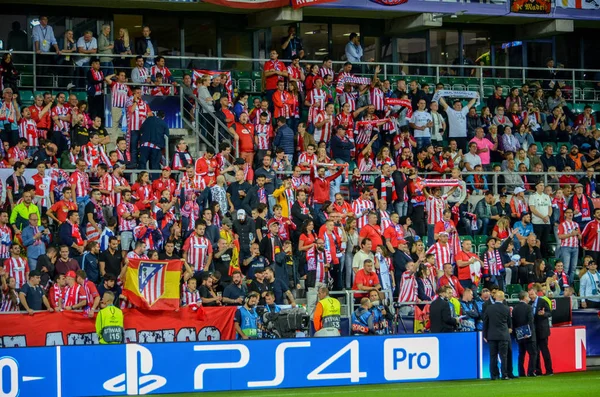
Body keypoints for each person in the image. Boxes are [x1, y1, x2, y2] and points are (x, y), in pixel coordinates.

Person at [484, 290, 512, 380]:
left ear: (495, 297)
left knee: (493, 356)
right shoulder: (506, 308)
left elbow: (485, 323)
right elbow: (509, 323)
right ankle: (504, 374)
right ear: (503, 298)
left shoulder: (489, 308)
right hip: (503, 335)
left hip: (492, 335)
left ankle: (494, 375)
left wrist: (485, 335)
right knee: (503, 356)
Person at [512, 290, 537, 377]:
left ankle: (521, 372)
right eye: (527, 296)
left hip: (519, 334)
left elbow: (513, 322)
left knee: (521, 354)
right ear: (524, 298)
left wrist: (516, 334)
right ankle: (531, 372)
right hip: (528, 335)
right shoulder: (529, 307)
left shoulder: (515, 308)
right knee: (533, 353)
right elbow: (530, 321)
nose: (529, 298)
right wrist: (528, 332)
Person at [529, 287, 553, 376]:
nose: (530, 296)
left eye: (532, 294)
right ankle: (538, 370)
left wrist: (544, 314)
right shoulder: (530, 303)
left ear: (536, 293)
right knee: (536, 352)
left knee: (545, 351)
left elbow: (550, 313)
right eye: (529, 295)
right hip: (534, 331)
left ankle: (549, 370)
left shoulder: (542, 301)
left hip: (542, 330)